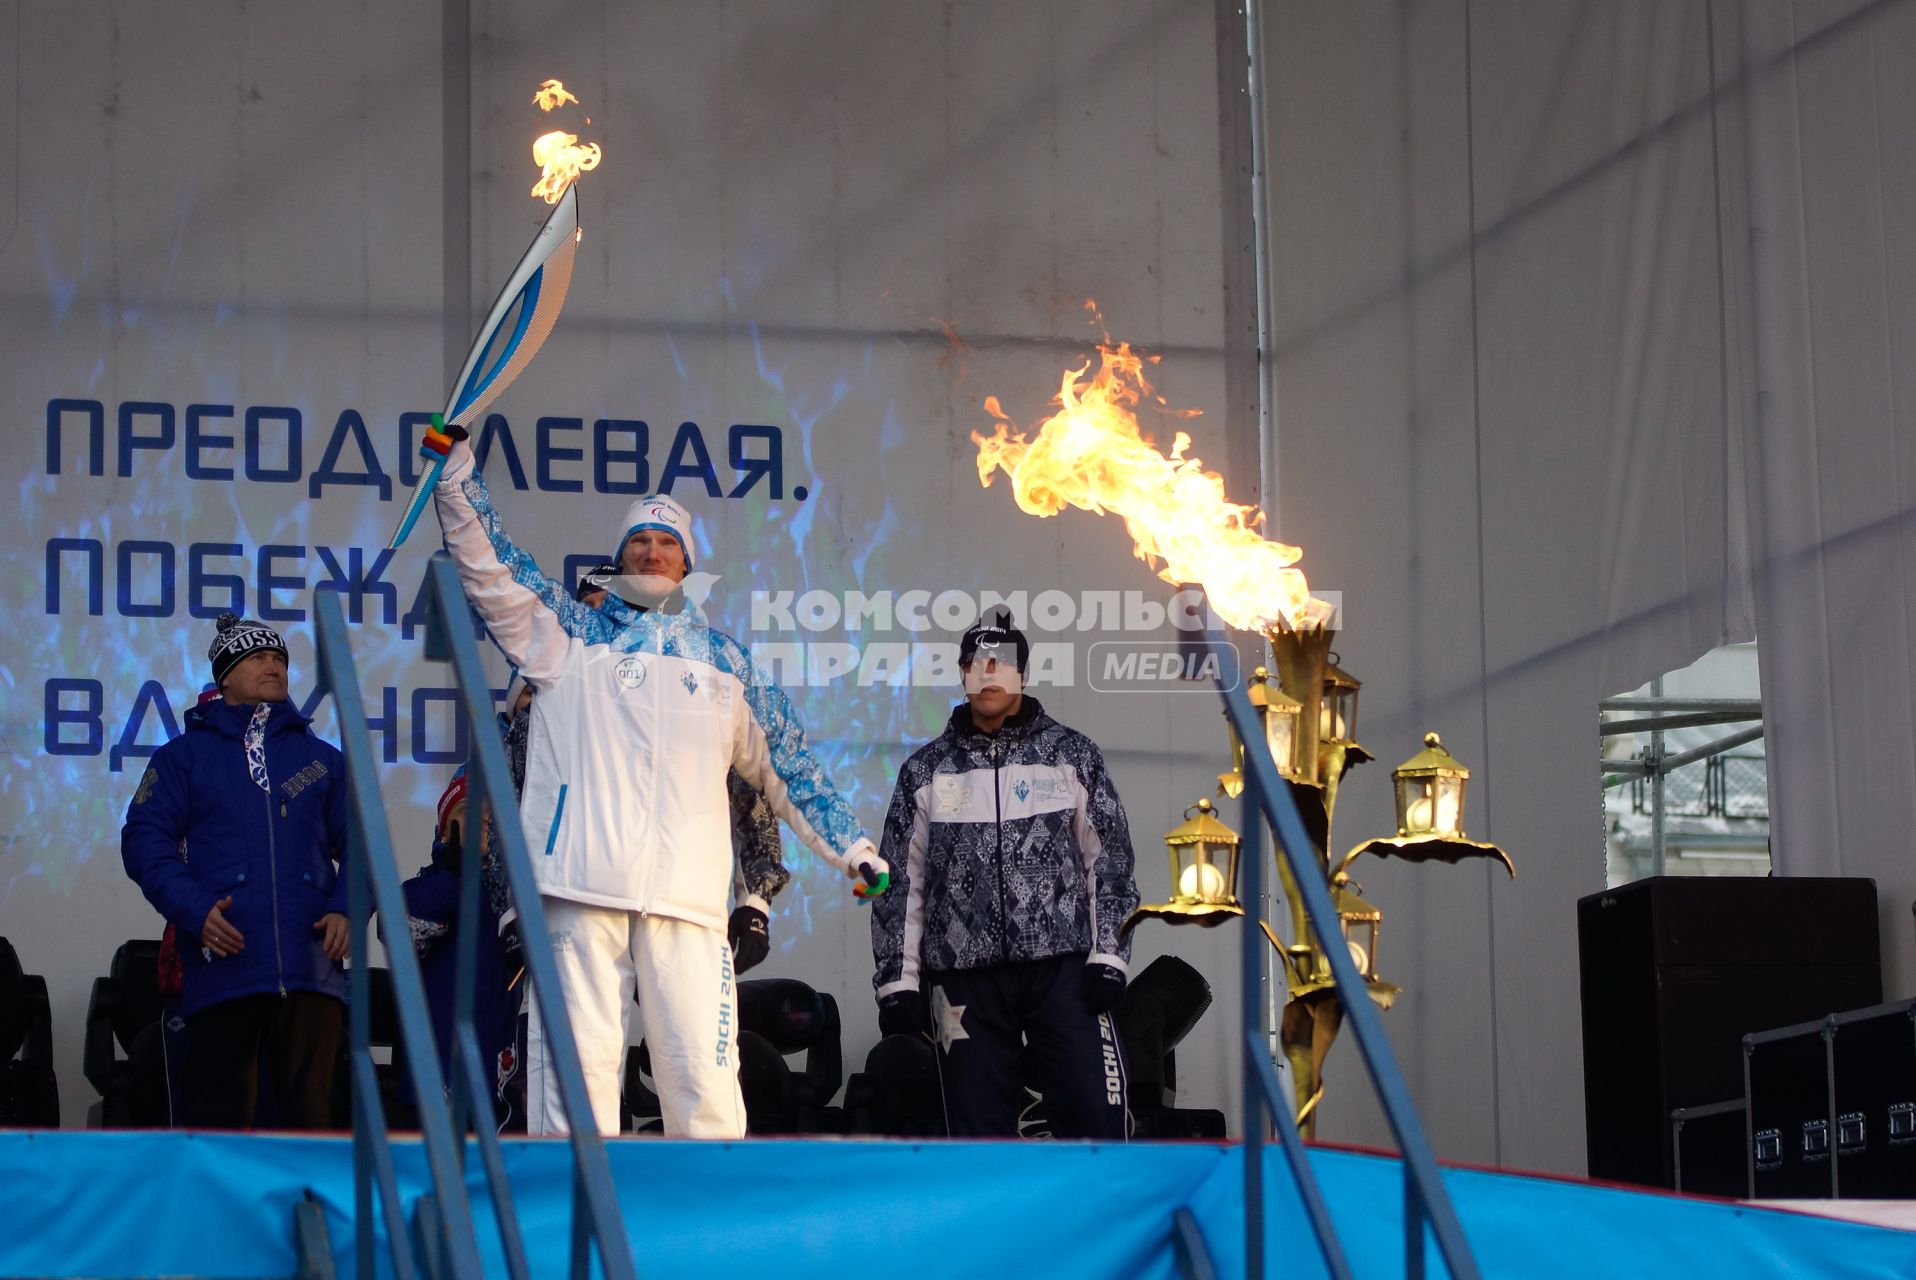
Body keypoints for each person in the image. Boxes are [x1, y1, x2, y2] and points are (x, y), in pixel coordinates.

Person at [431, 440, 885, 1138]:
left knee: (703, 1087)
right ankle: (570, 1236)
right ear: (619, 556)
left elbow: (791, 768)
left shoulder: (726, 664)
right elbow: (492, 566)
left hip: (689, 903)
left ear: (686, 561)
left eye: (665, 541)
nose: (650, 551)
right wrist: (456, 474)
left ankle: (705, 1237)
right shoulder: (567, 636)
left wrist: (853, 849)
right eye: (638, 540)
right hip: (579, 891)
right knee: (572, 1090)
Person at [870, 607, 1139, 1138]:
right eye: (976, 662)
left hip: (1063, 972)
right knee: (977, 1133)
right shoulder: (925, 771)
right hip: (963, 977)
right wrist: (897, 980)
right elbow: (899, 882)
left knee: (1094, 1118)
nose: (988, 673)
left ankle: (1101, 1218)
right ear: (962, 672)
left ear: (1023, 673)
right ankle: (993, 1222)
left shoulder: (1071, 754)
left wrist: (1109, 954)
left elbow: (1110, 861)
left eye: (1002, 662)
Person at [121, 614, 350, 1129]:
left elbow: (364, 843)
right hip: (225, 968)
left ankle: (307, 1213)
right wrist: (194, 908)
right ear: (225, 677)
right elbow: (142, 839)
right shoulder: (183, 757)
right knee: (221, 1130)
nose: (273, 667)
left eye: (279, 659)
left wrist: (346, 909)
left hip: (312, 971)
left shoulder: (323, 760)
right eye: (257, 658)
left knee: (311, 1132)